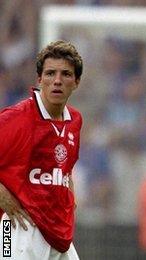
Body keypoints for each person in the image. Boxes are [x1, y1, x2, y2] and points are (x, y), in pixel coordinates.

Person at [0, 40, 83, 259]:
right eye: (50, 74)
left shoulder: (75, 120)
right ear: (39, 79)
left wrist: (69, 197)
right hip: (19, 227)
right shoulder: (16, 118)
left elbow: (64, 167)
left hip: (57, 230)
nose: (57, 81)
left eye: (65, 74)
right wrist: (2, 196)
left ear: (76, 81)